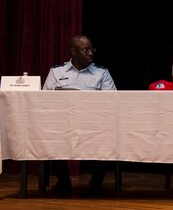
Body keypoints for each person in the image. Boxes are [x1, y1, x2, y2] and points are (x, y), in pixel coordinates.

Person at [42, 35, 117, 195]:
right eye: (86, 50)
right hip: (63, 123)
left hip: (94, 125)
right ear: (73, 51)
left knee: (107, 138)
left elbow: (112, 100)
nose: (90, 53)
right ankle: (63, 181)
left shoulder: (101, 73)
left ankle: (96, 182)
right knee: (52, 137)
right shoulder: (56, 71)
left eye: (92, 49)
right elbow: (45, 100)